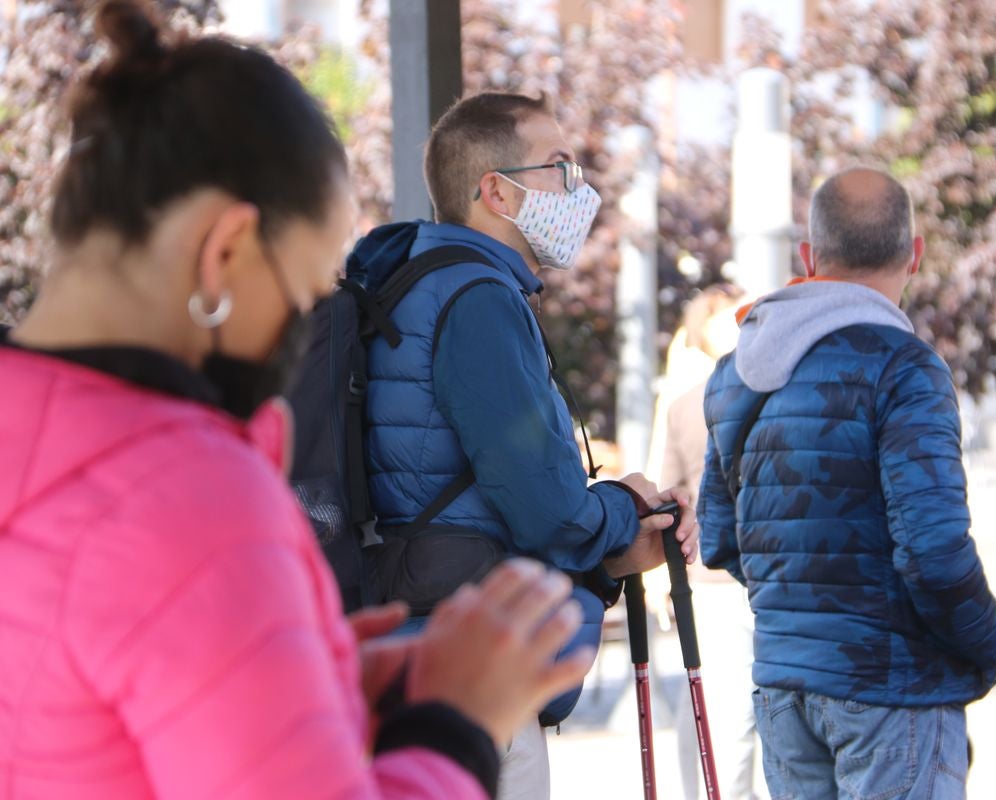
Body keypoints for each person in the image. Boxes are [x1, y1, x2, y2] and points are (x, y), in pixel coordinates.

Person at [0, 3, 594, 798]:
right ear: (225, 256)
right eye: (307, 295)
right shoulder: (196, 501)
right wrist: (457, 722)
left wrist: (302, 686)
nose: (304, 339)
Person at [348, 91, 697, 799]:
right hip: (472, 673)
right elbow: (550, 513)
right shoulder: (475, 297)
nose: (579, 188)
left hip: (423, 641)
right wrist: (629, 508)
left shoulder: (417, 282)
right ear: (495, 192)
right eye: (559, 167)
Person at [699, 167, 996, 800]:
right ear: (914, 255)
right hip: (892, 685)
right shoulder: (905, 368)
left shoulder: (737, 372)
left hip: (785, 686)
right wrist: (987, 642)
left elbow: (720, 538)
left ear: (809, 258)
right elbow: (934, 551)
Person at [649, 285, 765, 800]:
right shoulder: (770, 389)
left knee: (721, 710)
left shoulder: (682, 404)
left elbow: (667, 498)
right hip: (754, 573)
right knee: (745, 713)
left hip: (709, 574)